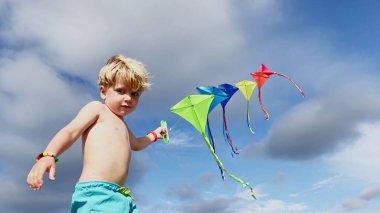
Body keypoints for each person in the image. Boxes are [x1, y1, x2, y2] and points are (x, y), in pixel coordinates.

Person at [27, 54, 166, 212]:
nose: (129, 98)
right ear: (103, 92)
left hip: (121, 195)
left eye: (135, 94)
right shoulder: (98, 109)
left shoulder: (123, 126)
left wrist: (155, 135)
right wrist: (48, 155)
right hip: (96, 194)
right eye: (121, 91)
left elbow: (137, 144)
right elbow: (71, 131)